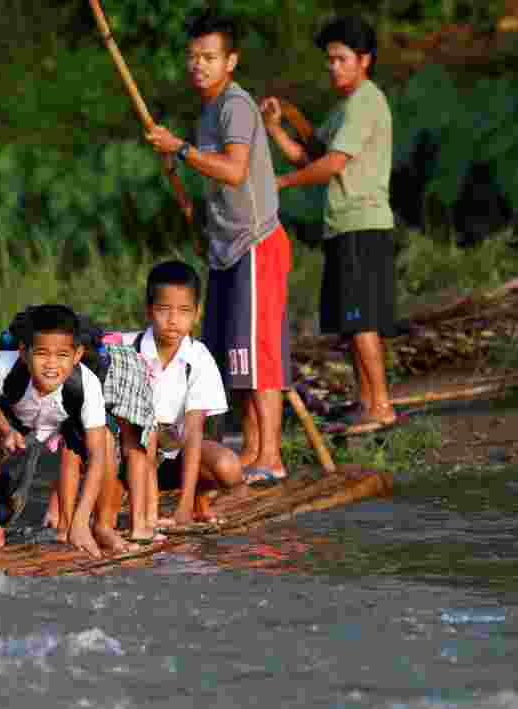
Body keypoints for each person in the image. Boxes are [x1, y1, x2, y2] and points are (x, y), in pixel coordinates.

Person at [146, 12, 293, 486]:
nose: (199, 66)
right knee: (235, 356)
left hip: (257, 241)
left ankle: (270, 454)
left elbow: (233, 170)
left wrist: (182, 150)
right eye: (193, 58)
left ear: (230, 61)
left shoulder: (236, 106)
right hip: (225, 245)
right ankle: (251, 450)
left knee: (259, 353)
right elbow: (219, 182)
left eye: (209, 58)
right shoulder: (209, 111)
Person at [261, 15, 397, 434]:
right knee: (350, 323)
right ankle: (366, 403)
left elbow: (333, 164)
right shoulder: (343, 109)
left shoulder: (366, 103)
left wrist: (283, 182)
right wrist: (273, 128)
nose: (334, 67)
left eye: (341, 59)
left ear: (364, 60)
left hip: (364, 223)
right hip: (342, 225)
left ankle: (381, 406)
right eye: (330, 60)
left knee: (362, 321)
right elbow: (310, 157)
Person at [0, 305, 139, 559]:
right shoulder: (3, 366)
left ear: (77, 354)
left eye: (62, 355)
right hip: (15, 420)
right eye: (41, 354)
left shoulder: (86, 384)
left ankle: (101, 526)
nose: (51, 365)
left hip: (63, 420)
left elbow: (96, 456)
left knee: (104, 439)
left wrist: (80, 522)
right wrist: (4, 431)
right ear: (24, 353)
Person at [112, 260, 242, 528]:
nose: (173, 320)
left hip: (176, 453)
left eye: (183, 311)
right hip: (130, 454)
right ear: (148, 310)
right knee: (111, 510)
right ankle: (136, 501)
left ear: (196, 314)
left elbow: (194, 433)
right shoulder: (125, 348)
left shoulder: (199, 357)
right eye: (163, 310)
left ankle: (195, 499)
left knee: (228, 466)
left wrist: (182, 509)